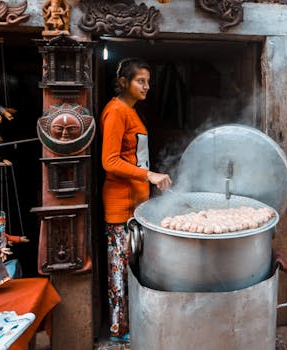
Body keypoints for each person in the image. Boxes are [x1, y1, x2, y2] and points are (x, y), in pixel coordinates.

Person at [100, 57, 172, 343]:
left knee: (130, 266)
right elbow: (110, 161)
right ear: (123, 82)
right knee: (119, 267)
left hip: (136, 204)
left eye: (148, 81)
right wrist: (149, 175)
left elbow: (133, 157)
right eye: (140, 81)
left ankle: (132, 324)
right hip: (121, 205)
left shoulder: (132, 112)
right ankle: (119, 333)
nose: (147, 86)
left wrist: (150, 183)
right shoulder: (116, 111)